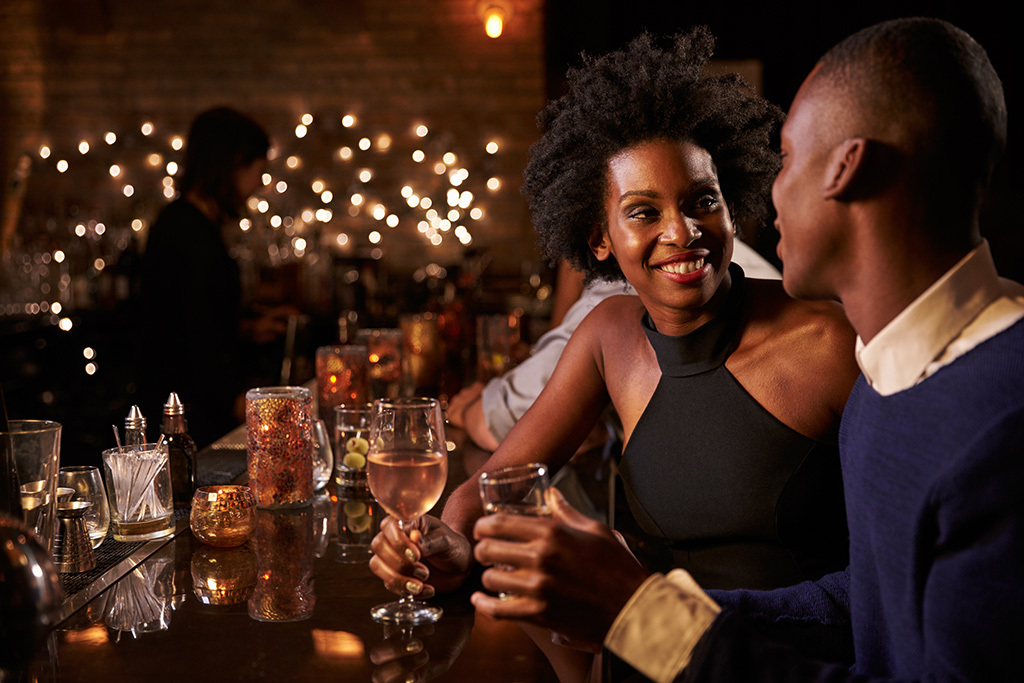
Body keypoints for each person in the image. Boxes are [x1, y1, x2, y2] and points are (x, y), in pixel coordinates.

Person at [470, 17, 1024, 682]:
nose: (767, 194)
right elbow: (862, 606)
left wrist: (644, 617)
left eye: (785, 157)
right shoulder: (891, 373)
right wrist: (633, 610)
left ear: (847, 167)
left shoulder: (1000, 421)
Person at [371, 28, 859, 612]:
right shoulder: (610, 334)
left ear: (732, 205)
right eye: (643, 211)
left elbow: (888, 580)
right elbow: (493, 486)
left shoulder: (830, 341)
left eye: (704, 200)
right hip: (642, 651)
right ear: (599, 239)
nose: (682, 232)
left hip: (782, 659)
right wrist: (444, 546)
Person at [449, 240, 781, 452]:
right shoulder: (738, 259)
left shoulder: (630, 281)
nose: (679, 232)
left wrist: (464, 409)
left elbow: (504, 419)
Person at [140, 107, 292, 449]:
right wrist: (233, 402)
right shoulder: (185, 231)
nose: (259, 184)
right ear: (233, 163)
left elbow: (196, 314)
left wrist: (251, 328)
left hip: (197, 406)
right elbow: (186, 335)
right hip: (188, 420)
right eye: (258, 171)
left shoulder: (192, 224)